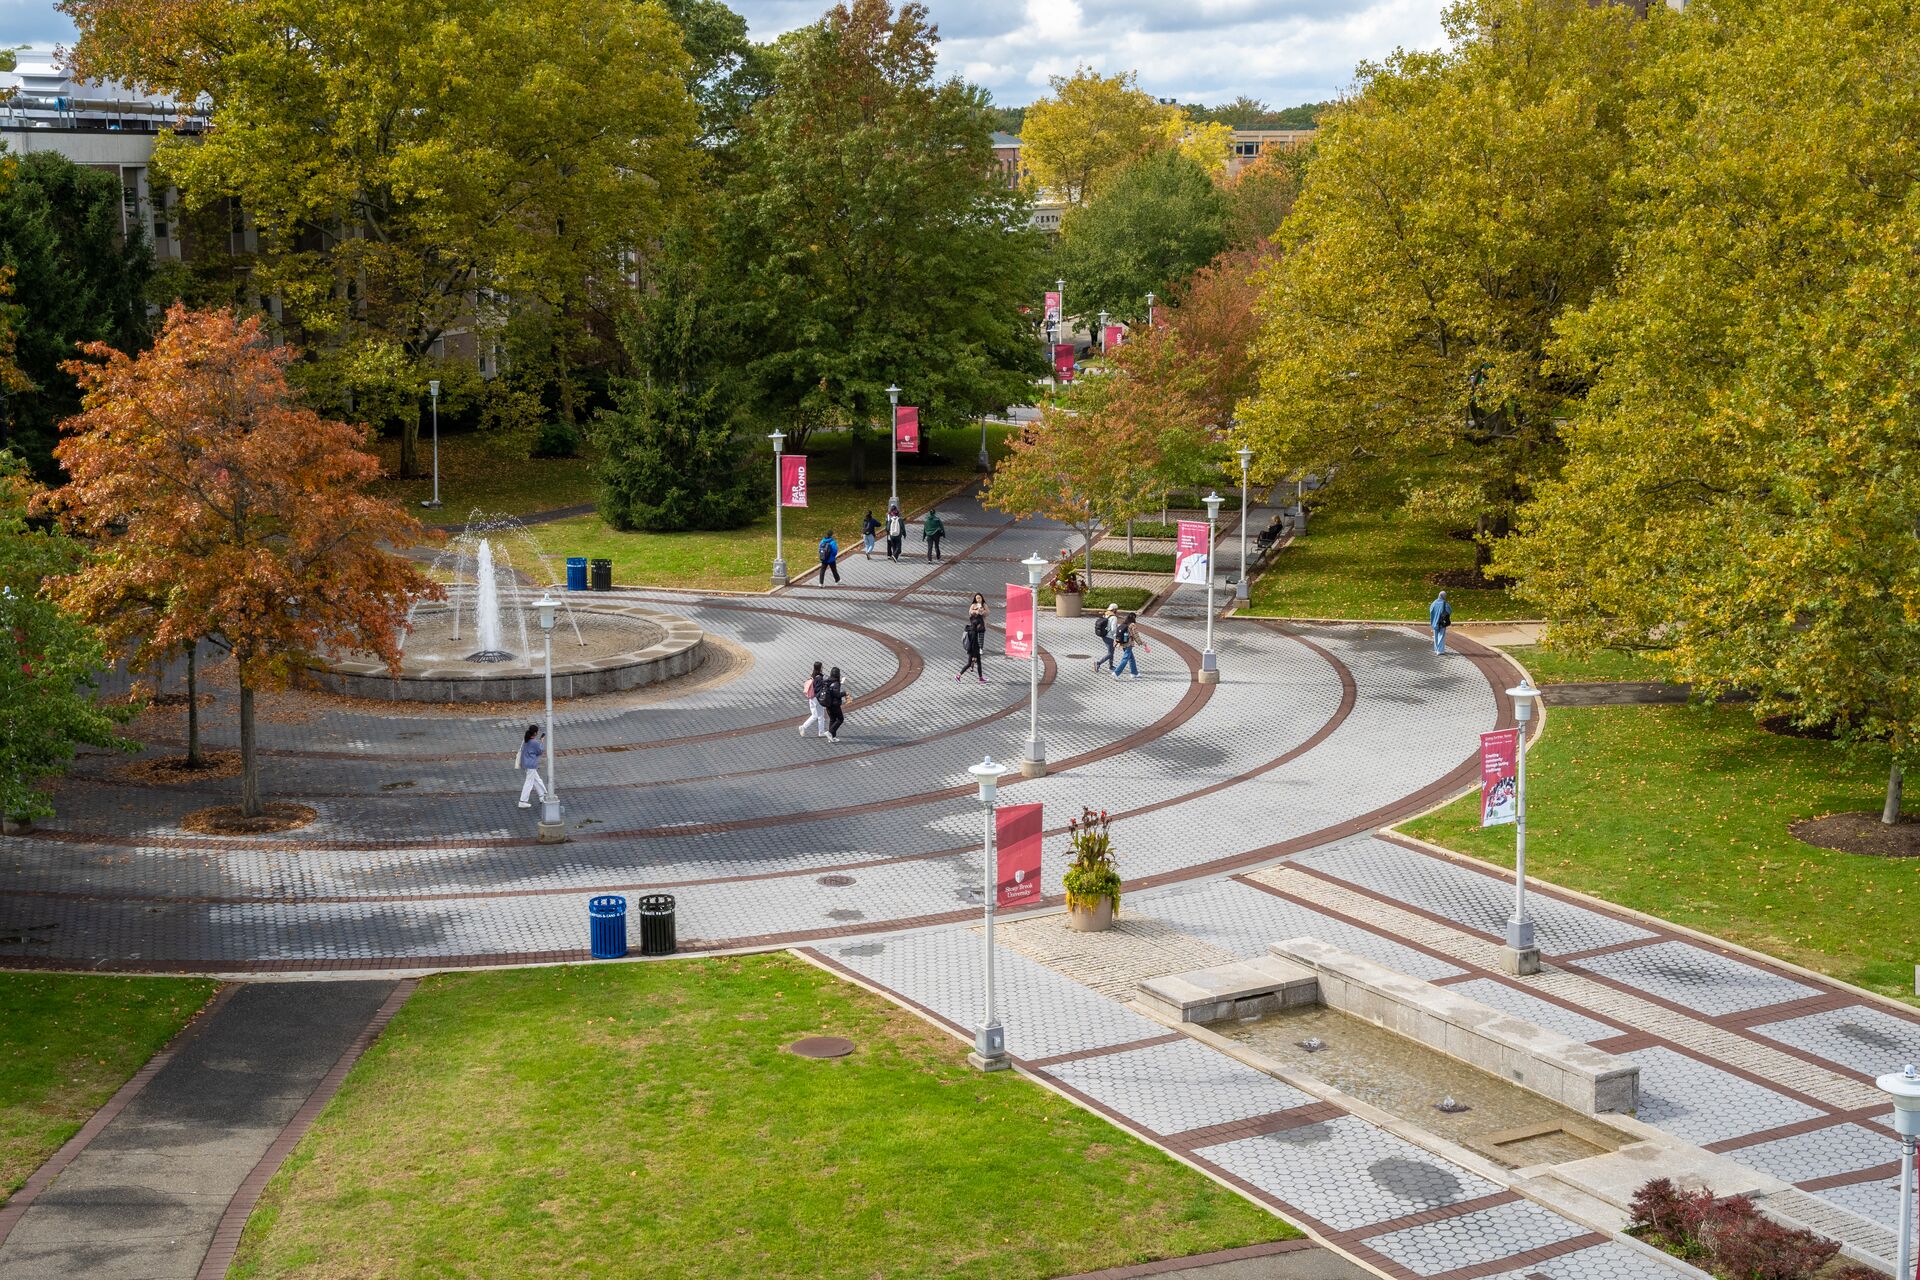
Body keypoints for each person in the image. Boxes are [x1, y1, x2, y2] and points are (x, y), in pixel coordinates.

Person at [957, 593, 987, 682]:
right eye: (980, 624)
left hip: (974, 650)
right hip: (973, 650)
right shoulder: (974, 632)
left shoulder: (972, 629)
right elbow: (974, 644)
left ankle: (981, 678)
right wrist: (974, 655)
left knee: (978, 663)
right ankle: (958, 675)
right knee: (969, 663)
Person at [516, 724, 547, 807]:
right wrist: (542, 741)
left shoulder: (526, 739)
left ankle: (542, 795)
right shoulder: (534, 742)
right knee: (529, 782)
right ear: (536, 733)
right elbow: (540, 751)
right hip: (531, 764)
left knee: (537, 780)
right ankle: (522, 801)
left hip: (525, 763)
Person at [798, 661, 829, 738]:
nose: (823, 668)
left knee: (820, 715)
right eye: (822, 666)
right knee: (816, 716)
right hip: (816, 699)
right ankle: (803, 727)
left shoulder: (813, 675)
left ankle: (821, 732)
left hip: (812, 698)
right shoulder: (818, 677)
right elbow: (818, 689)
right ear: (820, 668)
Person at [1112, 612, 1145, 680]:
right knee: (1125, 659)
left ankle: (1134, 673)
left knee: (1131, 658)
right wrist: (1141, 642)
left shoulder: (1123, 623)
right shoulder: (1132, 625)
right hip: (1128, 644)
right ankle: (1116, 673)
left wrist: (1115, 643)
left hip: (1122, 643)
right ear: (1134, 618)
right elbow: (1136, 635)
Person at [821, 666, 847, 742]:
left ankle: (832, 737)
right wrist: (844, 693)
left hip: (828, 703)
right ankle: (830, 732)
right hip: (835, 704)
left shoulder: (827, 680)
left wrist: (841, 683)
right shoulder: (836, 683)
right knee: (840, 719)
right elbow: (837, 694)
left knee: (832, 719)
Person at [1092, 602, 1118, 673]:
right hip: (1110, 637)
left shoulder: (1106, 615)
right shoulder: (1114, 617)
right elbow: (1113, 629)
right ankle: (1098, 663)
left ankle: (1111, 666)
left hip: (1104, 635)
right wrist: (1116, 636)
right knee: (1110, 653)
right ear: (1114, 610)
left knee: (1111, 651)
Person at [1429, 589, 1452, 655]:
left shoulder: (1434, 603)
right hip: (1442, 622)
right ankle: (1440, 650)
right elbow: (1449, 611)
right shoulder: (1445, 604)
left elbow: (1431, 611)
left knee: (1435, 635)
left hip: (1434, 622)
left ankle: (1436, 649)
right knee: (1441, 635)